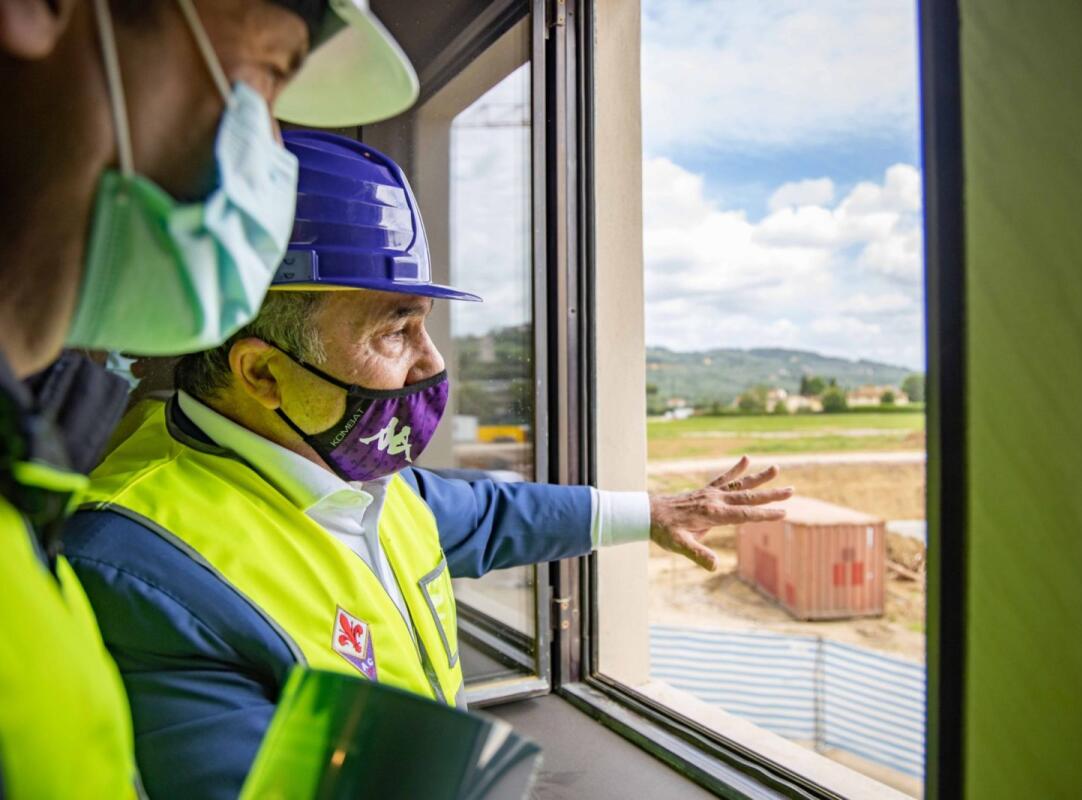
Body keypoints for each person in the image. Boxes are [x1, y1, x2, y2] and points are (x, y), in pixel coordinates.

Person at [64, 130, 792, 798]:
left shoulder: (353, 479)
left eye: (427, 324)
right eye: (396, 328)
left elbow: (489, 515)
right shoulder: (136, 572)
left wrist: (658, 513)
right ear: (261, 375)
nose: (433, 362)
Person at [0, 1, 421, 795]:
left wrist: (650, 510)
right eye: (267, 75)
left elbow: (490, 515)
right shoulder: (124, 552)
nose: (270, 154)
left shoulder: (30, 485)